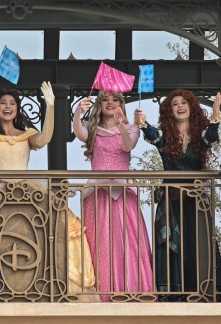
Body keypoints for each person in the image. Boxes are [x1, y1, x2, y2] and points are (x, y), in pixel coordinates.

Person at [0, 81, 97, 301]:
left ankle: (49, 281)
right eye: (2, 102)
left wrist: (50, 106)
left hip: (26, 193)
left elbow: (45, 139)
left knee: (58, 226)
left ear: (18, 108)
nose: (7, 106)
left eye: (12, 103)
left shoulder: (26, 134)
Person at [136, 89, 221, 301]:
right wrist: (142, 122)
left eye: (183, 102)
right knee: (171, 244)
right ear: (170, 111)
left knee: (199, 244)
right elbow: (151, 134)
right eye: (174, 103)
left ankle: (203, 291)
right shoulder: (164, 136)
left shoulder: (199, 135)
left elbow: (212, 137)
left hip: (196, 201)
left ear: (191, 107)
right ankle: (173, 292)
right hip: (171, 199)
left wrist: (215, 114)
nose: (179, 106)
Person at [73, 90, 154, 301]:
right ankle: (101, 293)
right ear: (99, 104)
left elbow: (128, 146)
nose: (110, 103)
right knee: (99, 243)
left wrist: (122, 126)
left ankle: (131, 290)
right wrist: (77, 112)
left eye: (115, 99)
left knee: (127, 243)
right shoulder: (92, 129)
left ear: (121, 104)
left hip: (123, 195)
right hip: (98, 195)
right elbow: (79, 133)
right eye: (105, 100)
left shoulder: (131, 127)